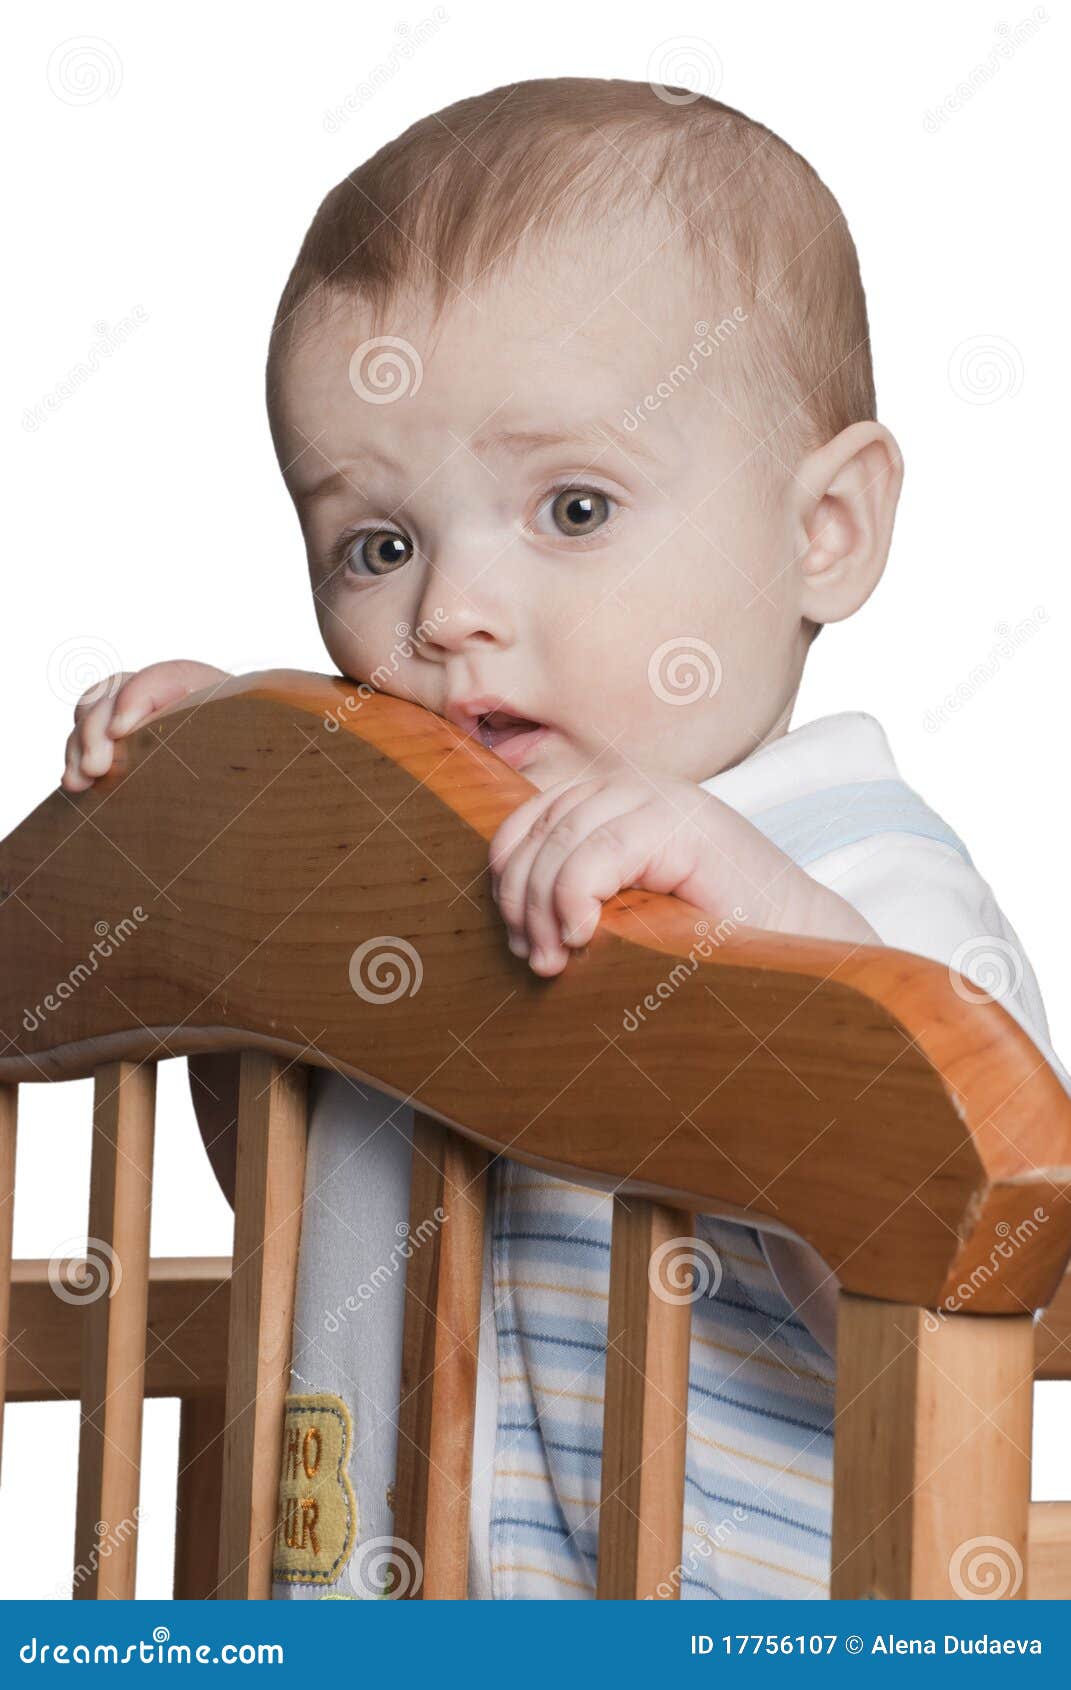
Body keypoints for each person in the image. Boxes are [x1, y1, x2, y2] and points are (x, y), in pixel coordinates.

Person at [59, 77, 1069, 1599]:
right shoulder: (412, 882)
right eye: (379, 544)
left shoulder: (860, 871)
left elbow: (988, 1243)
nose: (449, 609)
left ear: (827, 531)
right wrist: (249, 801)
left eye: (575, 507)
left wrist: (758, 930)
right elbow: (291, 1177)